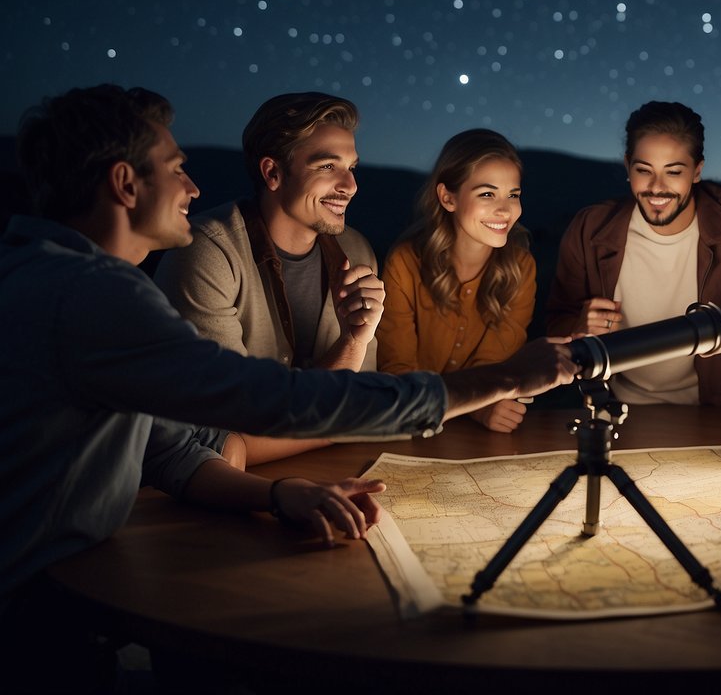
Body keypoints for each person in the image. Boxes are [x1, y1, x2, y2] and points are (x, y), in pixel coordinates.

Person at [0, 84, 574, 686]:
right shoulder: (91, 296)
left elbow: (172, 447)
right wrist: (508, 377)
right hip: (30, 602)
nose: (193, 189)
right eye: (176, 169)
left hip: (71, 585)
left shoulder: (71, 278)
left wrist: (277, 494)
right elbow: (264, 406)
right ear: (124, 184)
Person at [154, 92, 383, 467]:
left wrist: (354, 343)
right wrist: (339, 421)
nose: (350, 185)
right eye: (328, 167)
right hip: (213, 497)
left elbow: (364, 399)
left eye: (352, 167)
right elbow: (221, 431)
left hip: (329, 475)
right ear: (273, 173)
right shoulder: (206, 253)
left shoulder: (356, 253)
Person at [545, 100, 721, 406]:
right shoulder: (590, 229)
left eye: (673, 172)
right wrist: (577, 327)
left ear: (697, 171)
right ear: (628, 165)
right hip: (613, 407)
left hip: (716, 411)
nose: (657, 188)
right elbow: (555, 324)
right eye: (644, 170)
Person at [378, 130, 535, 432]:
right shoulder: (405, 262)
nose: (504, 209)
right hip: (406, 429)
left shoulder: (520, 268)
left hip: (476, 438)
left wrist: (481, 402)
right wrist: (476, 407)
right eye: (487, 194)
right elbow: (397, 370)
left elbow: (495, 367)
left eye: (513, 194)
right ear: (448, 198)